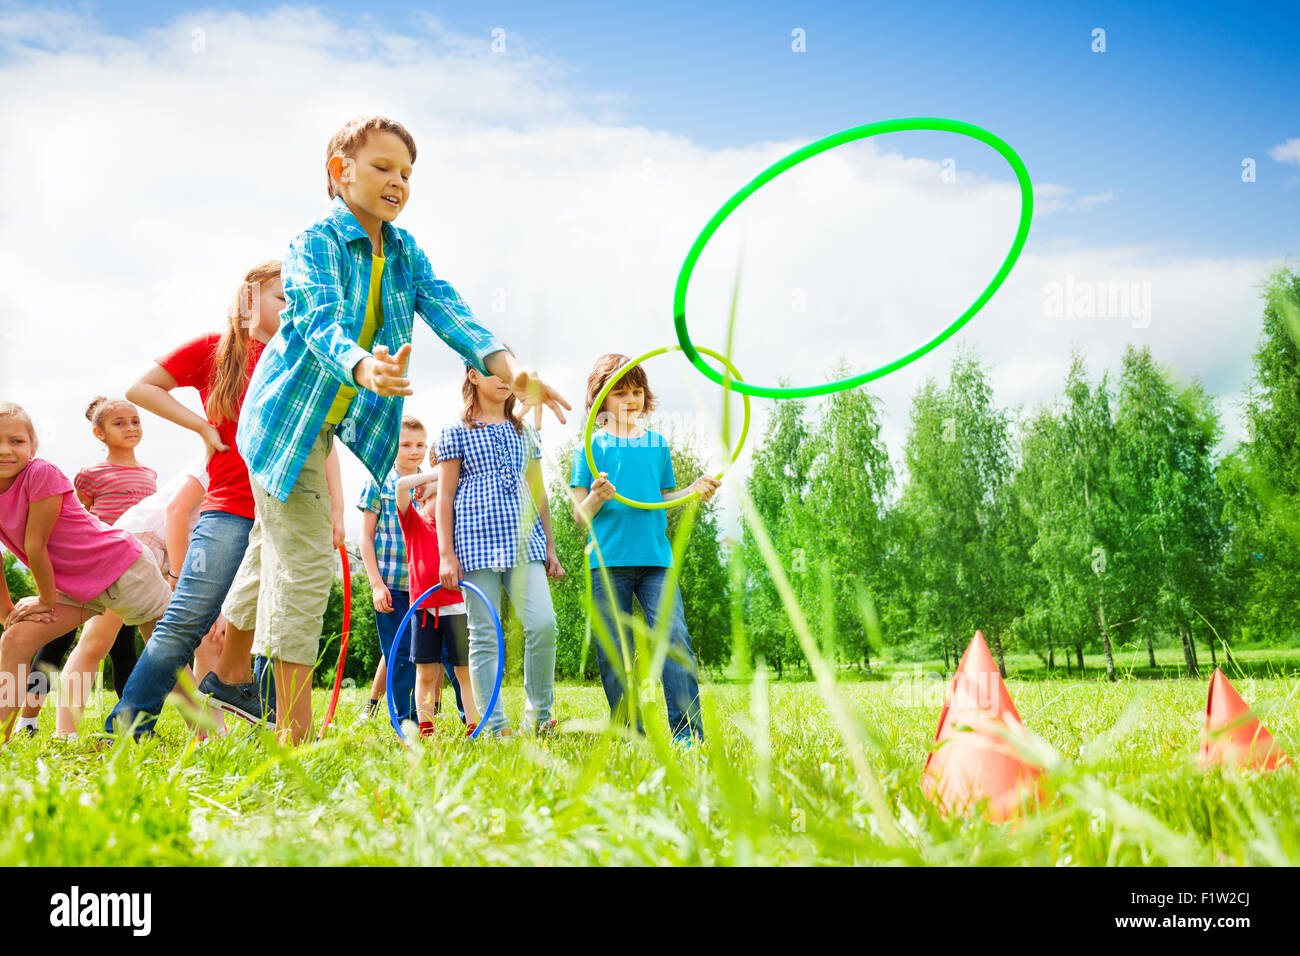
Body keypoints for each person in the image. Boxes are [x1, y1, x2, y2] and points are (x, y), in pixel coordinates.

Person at [235, 114, 569, 744]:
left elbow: (452, 312)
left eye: (407, 173)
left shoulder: (405, 250)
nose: (398, 182)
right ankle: (293, 737)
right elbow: (316, 319)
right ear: (342, 172)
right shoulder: (315, 242)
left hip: (334, 424)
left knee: (270, 562)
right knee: (303, 568)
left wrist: (513, 370)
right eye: (383, 167)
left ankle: (225, 681)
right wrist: (364, 365)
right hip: (286, 426)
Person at [105, 260, 343, 737]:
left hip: (285, 508)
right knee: (186, 620)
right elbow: (141, 387)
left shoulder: (301, 358)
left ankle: (248, 699)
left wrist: (337, 510)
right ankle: (128, 724)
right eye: (282, 297)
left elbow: (324, 440)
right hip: (231, 509)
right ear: (248, 300)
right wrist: (200, 425)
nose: (293, 307)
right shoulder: (216, 351)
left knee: (280, 614)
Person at [0, 403, 171, 741]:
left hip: (122, 567)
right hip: (75, 584)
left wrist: (46, 600)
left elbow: (36, 544)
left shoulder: (40, 473)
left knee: (164, 652)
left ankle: (209, 731)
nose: (5, 450)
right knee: (16, 639)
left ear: (32, 447)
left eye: (16, 441)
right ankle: (5, 735)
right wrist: (7, 611)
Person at [570, 353, 716, 743]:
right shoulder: (590, 446)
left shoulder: (656, 443)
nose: (631, 400)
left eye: (636, 391)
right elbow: (579, 516)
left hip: (656, 560)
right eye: (620, 393)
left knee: (675, 640)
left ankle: (688, 735)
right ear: (601, 400)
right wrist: (598, 497)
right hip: (607, 561)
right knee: (615, 653)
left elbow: (664, 497)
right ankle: (630, 734)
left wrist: (695, 489)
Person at [435, 360, 565, 739]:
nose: (507, 379)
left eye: (510, 372)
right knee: (484, 632)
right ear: (473, 375)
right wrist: (446, 554)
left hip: (525, 543)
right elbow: (444, 498)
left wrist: (551, 548)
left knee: (543, 624)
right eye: (495, 371)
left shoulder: (525, 432)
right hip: (475, 544)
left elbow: (539, 493)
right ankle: (494, 725)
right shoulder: (454, 432)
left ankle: (538, 714)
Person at [395, 462, 475, 737]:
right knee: (426, 673)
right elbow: (400, 486)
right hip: (425, 609)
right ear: (425, 498)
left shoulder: (457, 528)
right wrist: (435, 477)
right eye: (435, 498)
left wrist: (443, 484)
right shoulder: (414, 523)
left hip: (456, 607)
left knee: (464, 672)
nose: (442, 505)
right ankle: (427, 728)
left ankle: (474, 726)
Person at [358, 415, 425, 722]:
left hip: (423, 584)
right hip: (391, 585)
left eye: (421, 445)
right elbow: (365, 537)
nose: (415, 451)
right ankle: (405, 720)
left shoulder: (430, 483)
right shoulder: (378, 481)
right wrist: (375, 584)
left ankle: (427, 715)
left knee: (424, 653)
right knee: (398, 654)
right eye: (406, 445)